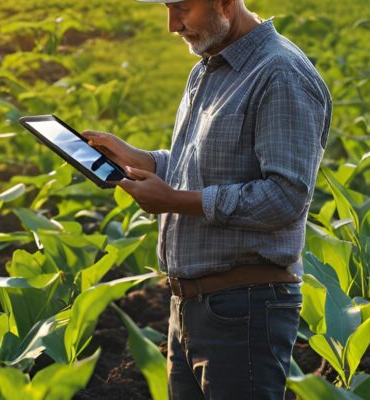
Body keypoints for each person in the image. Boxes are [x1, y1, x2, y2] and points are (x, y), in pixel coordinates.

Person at [82, 0, 332, 398]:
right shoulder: (209, 68)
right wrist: (141, 159)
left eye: (181, 8)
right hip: (190, 306)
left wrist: (176, 201)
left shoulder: (280, 73)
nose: (171, 25)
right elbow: (199, 166)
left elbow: (286, 198)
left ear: (224, 3)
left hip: (243, 308)